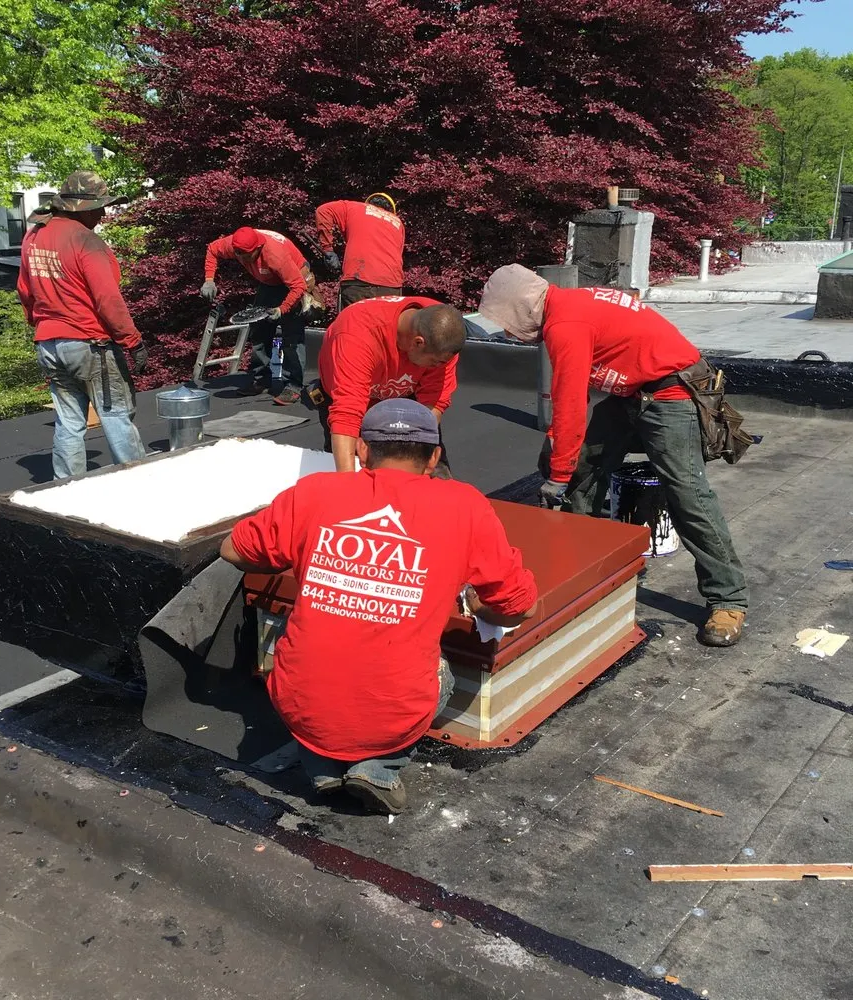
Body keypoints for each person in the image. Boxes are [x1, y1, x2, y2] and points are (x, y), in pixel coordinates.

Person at [220, 399, 537, 813]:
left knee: (301, 659)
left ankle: (322, 767)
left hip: (297, 700)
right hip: (392, 711)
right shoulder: (465, 506)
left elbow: (232, 549)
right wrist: (481, 608)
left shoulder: (315, 492)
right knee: (440, 673)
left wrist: (303, 552)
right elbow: (520, 607)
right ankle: (380, 765)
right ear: (434, 457)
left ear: (363, 451)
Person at [478, 264, 748, 648]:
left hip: (673, 393)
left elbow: (571, 402)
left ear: (522, 306)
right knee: (581, 467)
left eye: (506, 320)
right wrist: (559, 452)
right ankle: (579, 567)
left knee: (687, 493)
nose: (507, 331)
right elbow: (570, 398)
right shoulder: (566, 309)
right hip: (633, 393)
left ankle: (728, 598)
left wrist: (557, 475)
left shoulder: (565, 324)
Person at [17, 170, 148, 480]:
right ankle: (139, 481)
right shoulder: (86, 241)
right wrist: (133, 342)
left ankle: (66, 485)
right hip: (90, 345)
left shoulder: (34, 236)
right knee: (115, 414)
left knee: (69, 420)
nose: (103, 214)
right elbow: (108, 301)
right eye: (99, 207)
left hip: (48, 344)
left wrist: (45, 326)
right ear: (80, 207)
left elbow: (25, 291)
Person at [316, 296, 464, 475]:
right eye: (434, 362)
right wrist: (348, 484)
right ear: (418, 342)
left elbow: (432, 404)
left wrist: (421, 463)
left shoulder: (443, 333)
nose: (438, 367)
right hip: (351, 399)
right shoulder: (358, 334)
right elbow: (347, 413)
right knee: (353, 469)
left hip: (405, 398)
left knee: (432, 475)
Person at [201, 226, 316, 405]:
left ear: (258, 248)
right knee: (260, 330)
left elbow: (298, 286)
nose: (242, 258)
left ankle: (293, 386)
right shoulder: (235, 245)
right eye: (238, 254)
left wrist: (282, 309)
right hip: (269, 283)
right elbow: (212, 249)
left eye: (246, 255)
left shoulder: (275, 255)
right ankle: (261, 379)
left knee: (291, 335)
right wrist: (209, 280)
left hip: (295, 278)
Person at [315, 193, 404, 309]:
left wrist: (328, 249)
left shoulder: (354, 207)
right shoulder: (398, 223)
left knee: (352, 325)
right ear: (391, 211)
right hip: (392, 285)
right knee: (383, 326)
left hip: (359, 282)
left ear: (368, 203)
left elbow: (323, 210)